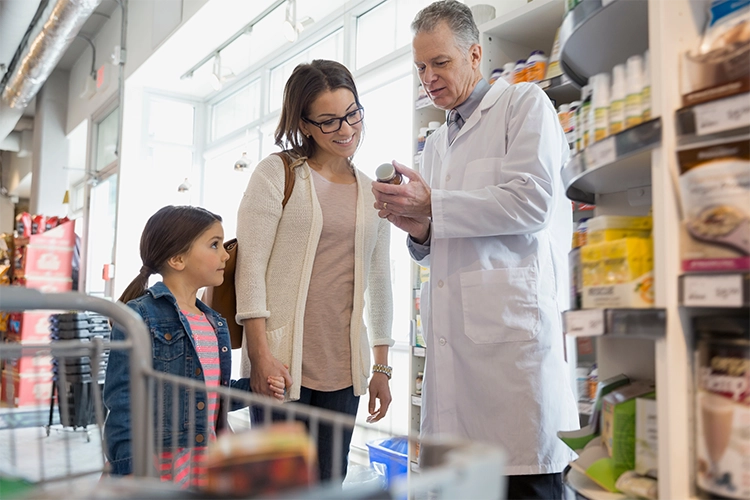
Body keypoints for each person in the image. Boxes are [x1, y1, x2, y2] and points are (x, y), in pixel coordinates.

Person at [370, 1, 578, 498]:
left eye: (440, 62)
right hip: (454, 361)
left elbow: (532, 203)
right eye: (421, 67)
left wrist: (432, 205)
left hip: (513, 360)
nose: (429, 77)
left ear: (475, 54)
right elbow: (436, 239)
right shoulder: (437, 143)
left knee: (526, 482)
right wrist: (415, 226)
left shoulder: (524, 105)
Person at [234, 59, 394, 482]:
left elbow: (380, 279)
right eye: (328, 121)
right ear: (303, 123)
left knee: (328, 484)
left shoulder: (370, 191)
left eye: (352, 113)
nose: (346, 130)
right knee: (278, 486)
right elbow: (250, 268)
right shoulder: (278, 173)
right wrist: (260, 356)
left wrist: (381, 366)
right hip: (281, 366)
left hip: (344, 370)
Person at [103, 205, 283, 487]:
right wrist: (128, 466)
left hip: (205, 461)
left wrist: (255, 389)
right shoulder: (140, 316)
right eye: (214, 244)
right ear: (177, 259)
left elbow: (210, 393)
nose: (226, 254)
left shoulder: (215, 322)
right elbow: (123, 401)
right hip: (157, 463)